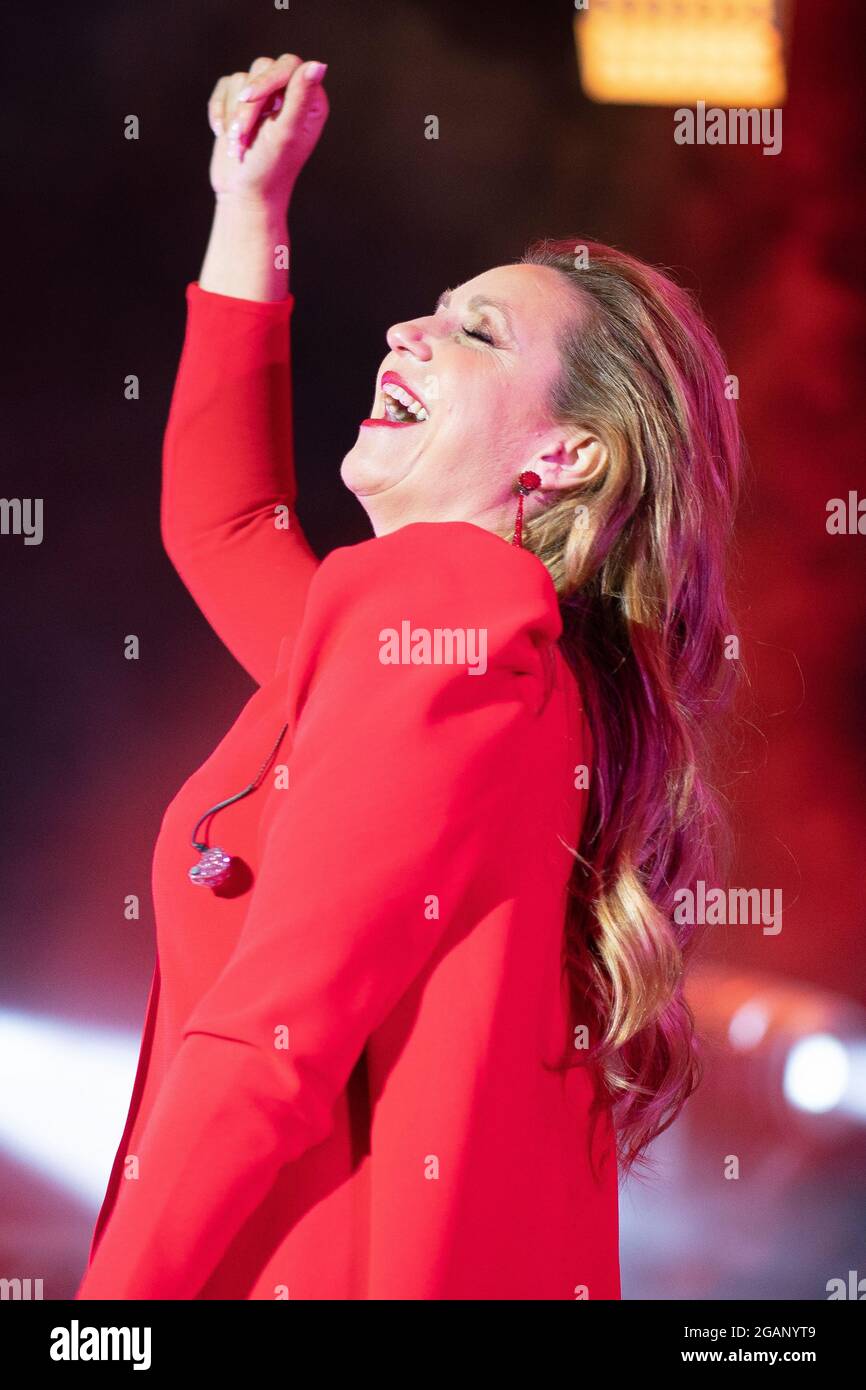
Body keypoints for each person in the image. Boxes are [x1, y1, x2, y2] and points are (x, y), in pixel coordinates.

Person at [76, 53, 740, 1300]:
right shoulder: (477, 659)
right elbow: (222, 524)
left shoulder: (446, 608)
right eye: (435, 308)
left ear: (565, 454)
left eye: (474, 330)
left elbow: (272, 1042)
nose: (407, 328)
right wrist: (250, 207)